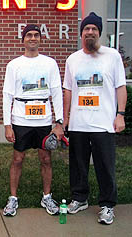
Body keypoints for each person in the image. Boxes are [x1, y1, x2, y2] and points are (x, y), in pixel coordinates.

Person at [63, 12, 127, 225]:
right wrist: (66, 119)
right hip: (79, 123)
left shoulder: (112, 56)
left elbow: (120, 87)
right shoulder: (73, 59)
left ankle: (107, 205)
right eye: (86, 29)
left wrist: (120, 115)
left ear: (99, 33)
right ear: (82, 33)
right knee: (78, 164)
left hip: (104, 123)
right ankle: (79, 198)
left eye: (94, 29)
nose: (90, 32)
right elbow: (69, 91)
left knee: (104, 165)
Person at [2, 24, 64, 217]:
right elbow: (7, 95)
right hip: (21, 119)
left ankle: (47, 196)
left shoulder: (49, 63)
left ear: (40, 39)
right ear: (23, 39)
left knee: (45, 158)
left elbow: (56, 92)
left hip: (43, 120)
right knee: (18, 159)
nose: (33, 38)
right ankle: (13, 198)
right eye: (29, 35)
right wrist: (7, 124)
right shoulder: (14, 65)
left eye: (36, 35)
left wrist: (59, 122)